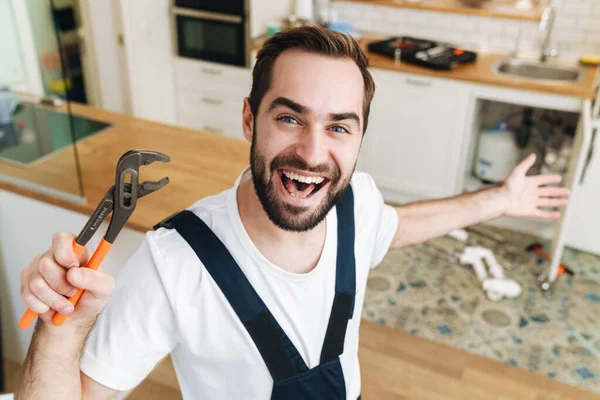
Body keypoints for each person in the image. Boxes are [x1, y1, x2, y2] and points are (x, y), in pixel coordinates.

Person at [16, 25, 570, 400]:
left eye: (338, 126)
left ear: (358, 138)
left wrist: (498, 200)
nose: (311, 152)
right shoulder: (174, 262)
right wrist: (61, 332)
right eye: (289, 117)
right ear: (249, 120)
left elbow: (398, 228)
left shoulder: (357, 206)